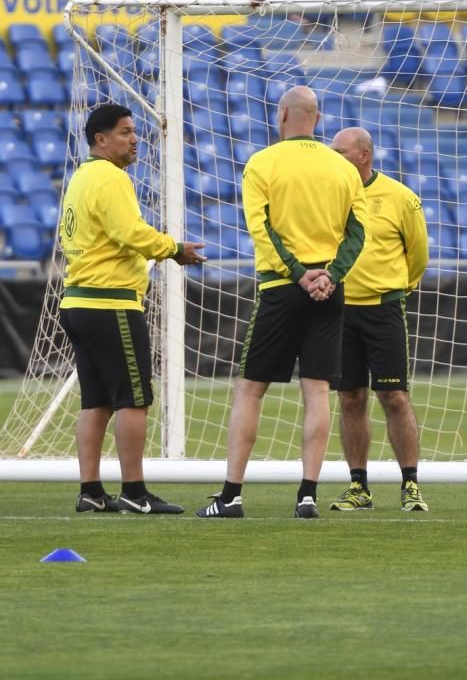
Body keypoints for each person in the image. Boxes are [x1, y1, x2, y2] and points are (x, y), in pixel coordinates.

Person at [196, 86, 369, 519]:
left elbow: (262, 228)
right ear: (317, 115)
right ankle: (307, 493)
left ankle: (231, 495)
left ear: (282, 114)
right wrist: (331, 274)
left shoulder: (262, 162)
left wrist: (298, 273)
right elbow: (358, 232)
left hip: (281, 285)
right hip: (329, 290)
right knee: (317, 391)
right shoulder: (343, 167)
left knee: (251, 389)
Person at [59, 103, 206, 514]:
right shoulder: (110, 177)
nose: (135, 138)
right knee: (134, 399)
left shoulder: (81, 178)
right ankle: (135, 492)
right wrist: (174, 248)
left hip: (77, 301)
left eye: (134, 131)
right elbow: (129, 233)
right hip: (111, 302)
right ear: (100, 140)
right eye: (125, 132)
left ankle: (90, 490)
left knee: (96, 401)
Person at [329, 126, 429, 512]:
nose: (332, 158)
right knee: (350, 397)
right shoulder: (330, 197)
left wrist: (399, 287)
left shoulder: (401, 198)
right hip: (339, 310)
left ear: (363, 155)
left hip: (383, 308)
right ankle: (359, 487)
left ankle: (411, 486)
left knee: (395, 396)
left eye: (340, 152)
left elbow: (418, 254)